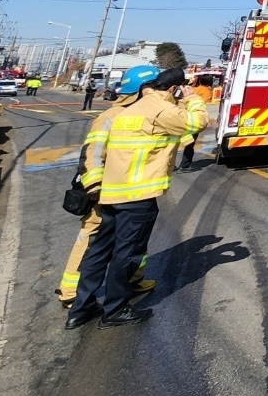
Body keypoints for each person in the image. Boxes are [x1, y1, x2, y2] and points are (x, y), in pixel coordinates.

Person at [65, 67, 209, 330]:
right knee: (127, 253)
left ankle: (81, 308)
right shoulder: (160, 111)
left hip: (112, 193)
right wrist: (193, 99)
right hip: (138, 195)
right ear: (172, 88)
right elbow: (196, 124)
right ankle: (115, 309)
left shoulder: (125, 113)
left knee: (100, 250)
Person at [57, 68, 158, 308]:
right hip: (106, 191)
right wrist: (96, 187)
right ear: (143, 89)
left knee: (134, 240)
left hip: (134, 190)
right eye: (156, 87)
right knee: (93, 238)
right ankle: (72, 291)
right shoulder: (111, 116)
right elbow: (92, 154)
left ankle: (132, 279)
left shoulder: (144, 113)